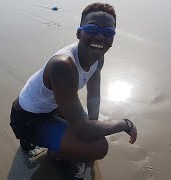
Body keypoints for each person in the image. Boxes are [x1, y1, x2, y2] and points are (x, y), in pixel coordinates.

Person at [10, 2, 137, 179]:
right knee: (100, 147)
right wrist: (125, 124)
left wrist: (91, 129)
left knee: (92, 132)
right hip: (29, 120)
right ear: (79, 33)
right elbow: (84, 129)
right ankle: (56, 155)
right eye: (92, 28)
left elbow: (94, 95)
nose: (100, 37)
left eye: (109, 32)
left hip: (55, 108)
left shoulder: (97, 58)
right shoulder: (62, 65)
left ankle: (62, 148)